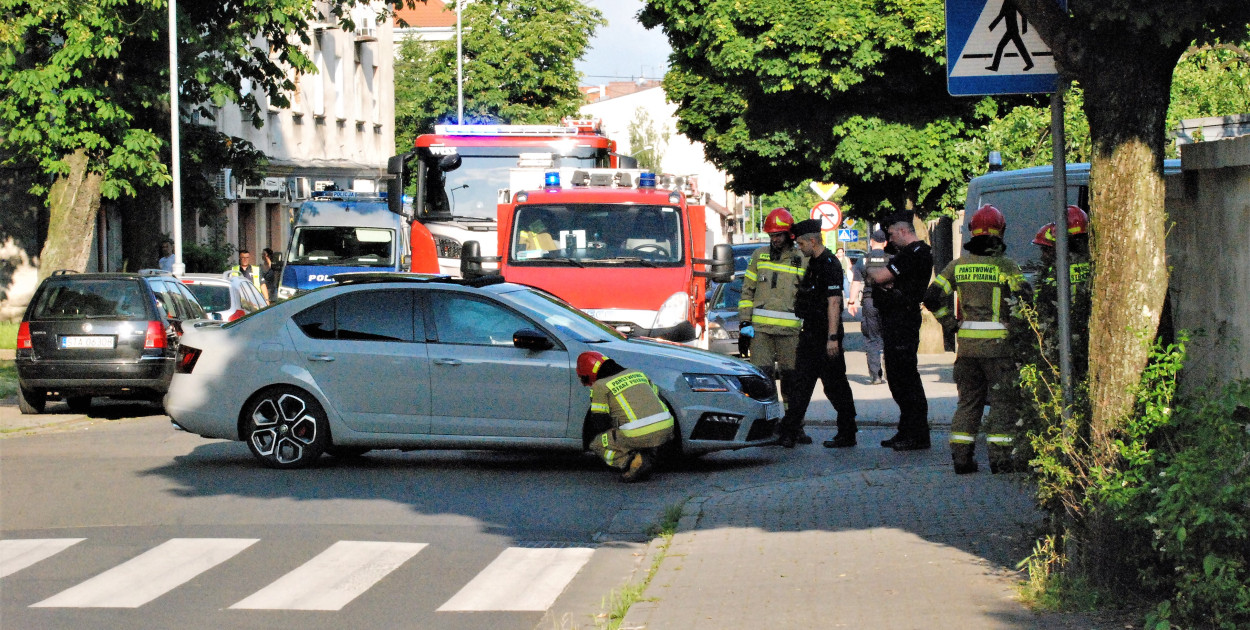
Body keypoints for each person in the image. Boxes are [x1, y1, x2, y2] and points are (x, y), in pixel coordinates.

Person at [925, 204, 1029, 474]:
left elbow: (931, 298)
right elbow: (1028, 300)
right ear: (1001, 232)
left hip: (967, 350)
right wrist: (1016, 325)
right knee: (1001, 403)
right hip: (999, 350)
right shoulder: (1005, 266)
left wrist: (950, 323)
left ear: (972, 232)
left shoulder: (957, 266)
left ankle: (962, 460)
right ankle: (1000, 460)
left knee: (968, 403)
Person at [780, 219, 858, 448]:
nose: (799, 247)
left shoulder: (829, 264)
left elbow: (834, 302)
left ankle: (847, 431)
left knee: (835, 386)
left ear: (813, 241)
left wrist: (832, 338)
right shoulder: (813, 263)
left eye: (801, 243)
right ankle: (789, 432)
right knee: (801, 384)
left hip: (826, 336)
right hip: (810, 334)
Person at [738, 208, 809, 445]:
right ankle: (766, 425)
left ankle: (794, 425)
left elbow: (808, 295)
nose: (774, 240)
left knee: (792, 381)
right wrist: (744, 323)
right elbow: (747, 291)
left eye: (778, 235)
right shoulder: (759, 256)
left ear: (789, 235)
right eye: (771, 235)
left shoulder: (802, 259)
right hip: (761, 333)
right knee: (762, 379)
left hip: (790, 332)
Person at [867, 212, 933, 451]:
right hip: (896, 319)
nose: (890, 238)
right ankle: (906, 430)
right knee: (897, 378)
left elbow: (878, 276)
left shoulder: (913, 253)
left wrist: (878, 266)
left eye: (892, 233)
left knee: (905, 379)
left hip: (903, 319)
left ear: (904, 231)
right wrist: (885, 279)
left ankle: (917, 434)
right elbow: (883, 279)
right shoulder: (906, 255)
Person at [578, 351, 675, 482]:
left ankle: (631, 461)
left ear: (590, 373)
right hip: (668, 426)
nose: (586, 384)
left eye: (585, 379)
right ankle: (649, 451)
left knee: (598, 444)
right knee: (630, 428)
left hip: (638, 433)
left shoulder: (600, 386)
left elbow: (600, 423)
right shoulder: (638, 373)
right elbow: (654, 398)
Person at [849, 229, 888, 385]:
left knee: (872, 338)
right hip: (888, 302)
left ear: (871, 242)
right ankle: (891, 372)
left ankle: (875, 375)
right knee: (889, 338)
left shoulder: (863, 260)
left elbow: (856, 283)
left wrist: (851, 302)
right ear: (885, 243)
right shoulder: (891, 259)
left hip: (870, 300)